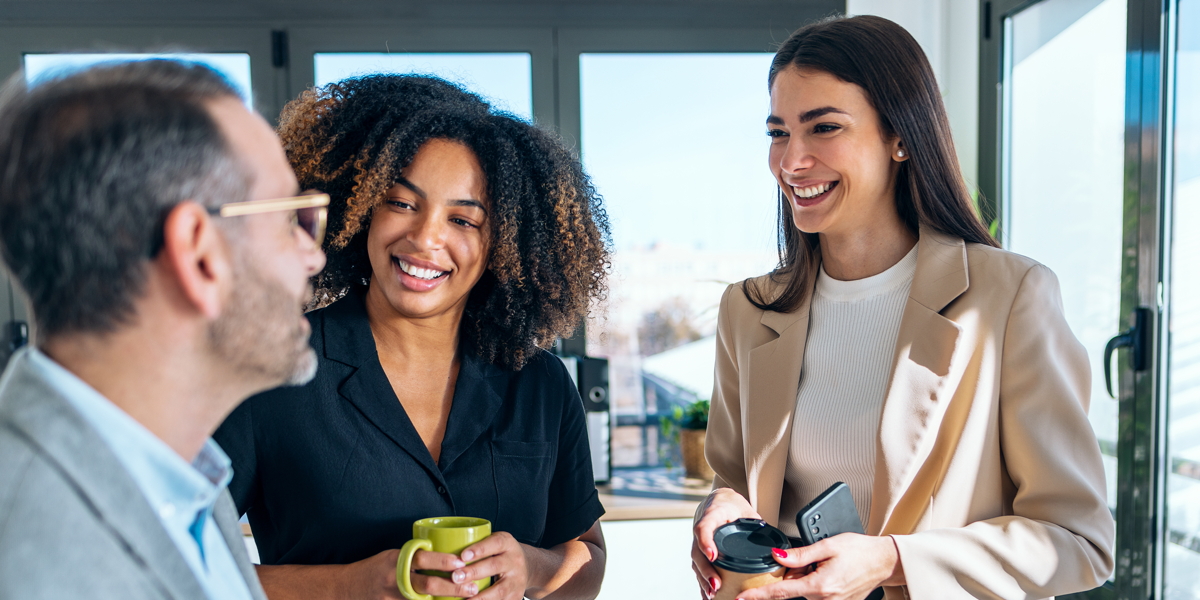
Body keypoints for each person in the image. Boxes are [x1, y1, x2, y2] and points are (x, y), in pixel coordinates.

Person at [690, 15, 1115, 600]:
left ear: (901, 137)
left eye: (824, 127)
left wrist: (893, 561)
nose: (791, 161)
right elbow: (736, 479)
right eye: (778, 133)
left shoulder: (1010, 298)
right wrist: (721, 508)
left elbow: (1077, 541)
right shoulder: (747, 309)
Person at [213, 74, 611, 600]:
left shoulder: (539, 383)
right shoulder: (269, 365)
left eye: (464, 220)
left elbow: (588, 559)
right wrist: (346, 585)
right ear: (360, 209)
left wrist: (532, 567)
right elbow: (178, 560)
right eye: (401, 203)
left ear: (506, 245)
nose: (425, 238)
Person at [0, 60, 326, 599]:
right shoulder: (32, 556)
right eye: (288, 219)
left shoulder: (188, 476)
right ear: (200, 255)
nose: (311, 256)